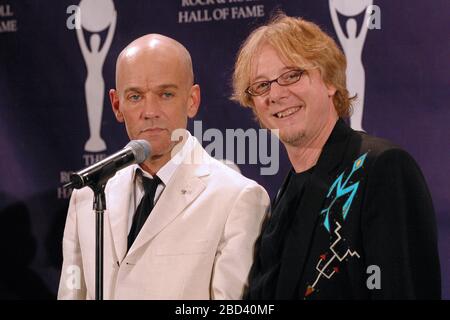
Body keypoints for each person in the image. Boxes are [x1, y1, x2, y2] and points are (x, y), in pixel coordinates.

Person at [232, 14, 441, 299]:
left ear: (330, 81)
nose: (276, 94)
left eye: (292, 75)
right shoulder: (285, 194)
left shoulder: (381, 168)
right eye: (261, 85)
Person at [58, 34, 270, 299]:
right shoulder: (87, 194)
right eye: (135, 96)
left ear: (192, 100)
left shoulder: (236, 198)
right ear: (116, 104)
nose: (150, 111)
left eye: (166, 94)